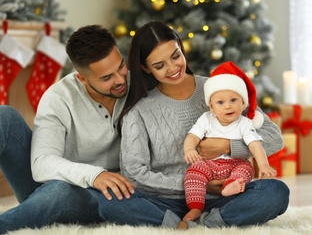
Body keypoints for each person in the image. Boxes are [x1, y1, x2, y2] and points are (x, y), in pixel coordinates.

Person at [98, 21, 289, 229]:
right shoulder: (139, 110)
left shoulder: (218, 88)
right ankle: (177, 223)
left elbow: (274, 137)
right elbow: (134, 173)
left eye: (175, 56)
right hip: (165, 201)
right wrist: (198, 185)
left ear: (181, 47)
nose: (172, 68)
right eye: (159, 66)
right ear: (145, 68)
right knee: (110, 203)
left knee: (276, 192)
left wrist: (228, 146)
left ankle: (211, 221)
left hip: (225, 194)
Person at [0, 25, 134, 234]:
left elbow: (190, 85)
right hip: (55, 187)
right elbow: (41, 164)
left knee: (59, 190)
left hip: (105, 197)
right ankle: (33, 210)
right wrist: (94, 175)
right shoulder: (59, 97)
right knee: (4, 117)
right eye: (107, 78)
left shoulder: (137, 85)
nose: (120, 79)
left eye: (121, 66)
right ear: (82, 78)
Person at [182, 61, 277, 224]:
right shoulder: (206, 119)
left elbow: (255, 146)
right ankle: (196, 206)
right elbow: (192, 136)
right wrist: (189, 150)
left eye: (233, 100)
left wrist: (263, 165)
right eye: (220, 102)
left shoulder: (244, 123)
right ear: (211, 107)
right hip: (210, 165)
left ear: (243, 103)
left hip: (235, 164)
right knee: (193, 172)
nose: (228, 106)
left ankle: (232, 185)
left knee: (246, 169)